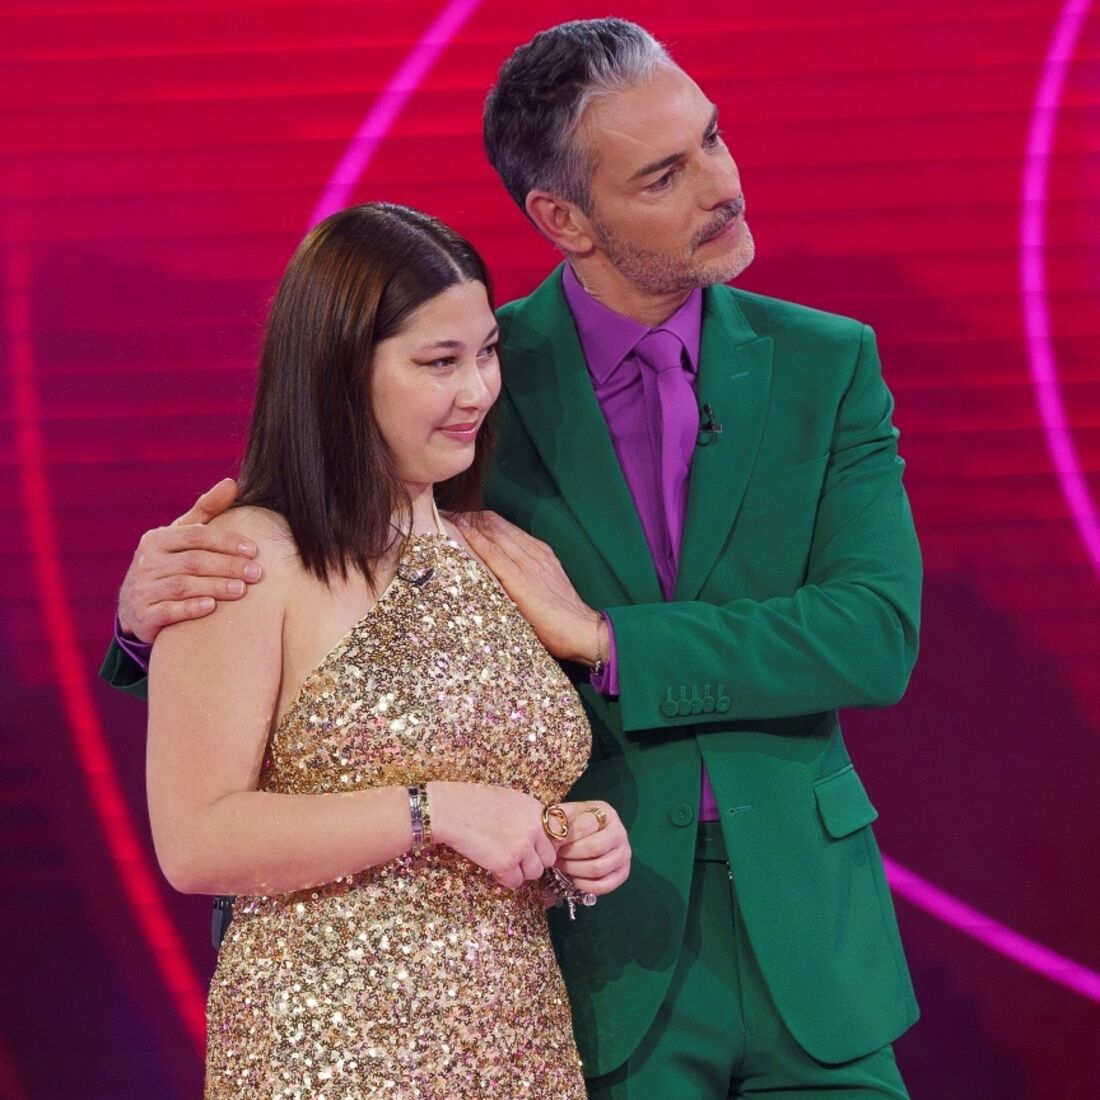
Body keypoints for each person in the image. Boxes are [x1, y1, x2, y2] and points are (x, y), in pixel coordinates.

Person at [103, 18, 923, 1099]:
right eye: (663, 174)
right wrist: (147, 619)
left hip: (811, 938)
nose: (722, 185)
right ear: (561, 216)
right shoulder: (464, 379)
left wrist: (607, 639)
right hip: (589, 963)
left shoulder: (826, 362)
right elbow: (315, 563)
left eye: (713, 139)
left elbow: (875, 634)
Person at [137, 201, 631, 1098]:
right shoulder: (246, 556)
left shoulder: (504, 550)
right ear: (340, 370)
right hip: (326, 1051)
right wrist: (431, 810)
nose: (478, 391)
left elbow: (500, 809)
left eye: (487, 353)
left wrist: (570, 840)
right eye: (440, 362)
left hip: (517, 1044)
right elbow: (195, 838)